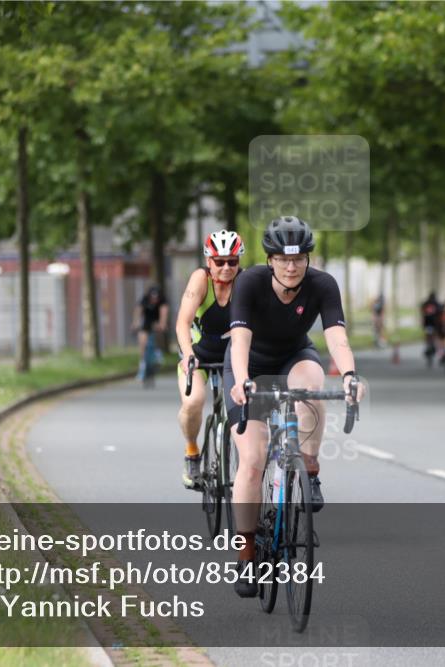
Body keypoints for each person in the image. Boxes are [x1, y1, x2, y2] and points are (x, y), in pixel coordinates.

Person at [225, 216, 363, 598]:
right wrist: (241, 381)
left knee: (313, 386)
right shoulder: (249, 282)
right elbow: (240, 340)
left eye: (299, 258)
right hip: (250, 365)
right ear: (270, 260)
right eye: (283, 259)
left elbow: (336, 336)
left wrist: (349, 375)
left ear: (307, 259)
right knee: (252, 460)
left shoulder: (323, 284)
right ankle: (246, 554)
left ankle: (310, 468)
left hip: (293, 356)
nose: (291, 266)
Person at [174, 230, 244, 490]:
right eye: (219, 261)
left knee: (247, 403)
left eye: (232, 261)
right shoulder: (200, 280)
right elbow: (182, 322)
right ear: (208, 261)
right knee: (193, 401)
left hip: (232, 354)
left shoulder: (245, 282)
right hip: (198, 352)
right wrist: (188, 354)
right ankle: (192, 452)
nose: (226, 267)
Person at [133, 285, 168, 380]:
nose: (154, 300)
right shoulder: (144, 299)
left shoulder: (163, 301)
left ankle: (158, 352)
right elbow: (138, 311)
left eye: (156, 298)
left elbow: (164, 313)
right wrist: (135, 323)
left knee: (158, 336)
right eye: (152, 298)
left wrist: (162, 324)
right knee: (142, 342)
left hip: (156, 320)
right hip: (147, 321)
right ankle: (142, 366)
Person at [421, 291, 442, 364]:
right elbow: (440, 313)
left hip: (427, 323)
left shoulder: (425, 303)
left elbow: (422, 312)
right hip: (434, 324)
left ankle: (428, 345)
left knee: (428, 337)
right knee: (434, 336)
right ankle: (432, 346)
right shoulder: (437, 304)